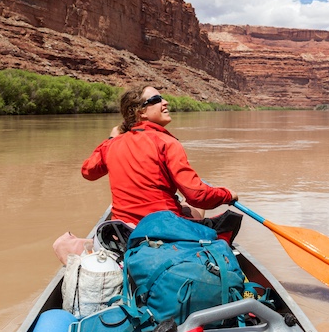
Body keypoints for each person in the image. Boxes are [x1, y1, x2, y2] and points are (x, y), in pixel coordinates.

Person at [81, 84, 238, 227]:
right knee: (194, 206)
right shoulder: (166, 142)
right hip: (164, 227)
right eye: (157, 100)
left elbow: (89, 171)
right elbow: (197, 195)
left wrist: (110, 140)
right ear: (140, 111)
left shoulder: (113, 144)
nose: (165, 102)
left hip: (126, 229)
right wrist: (227, 194)